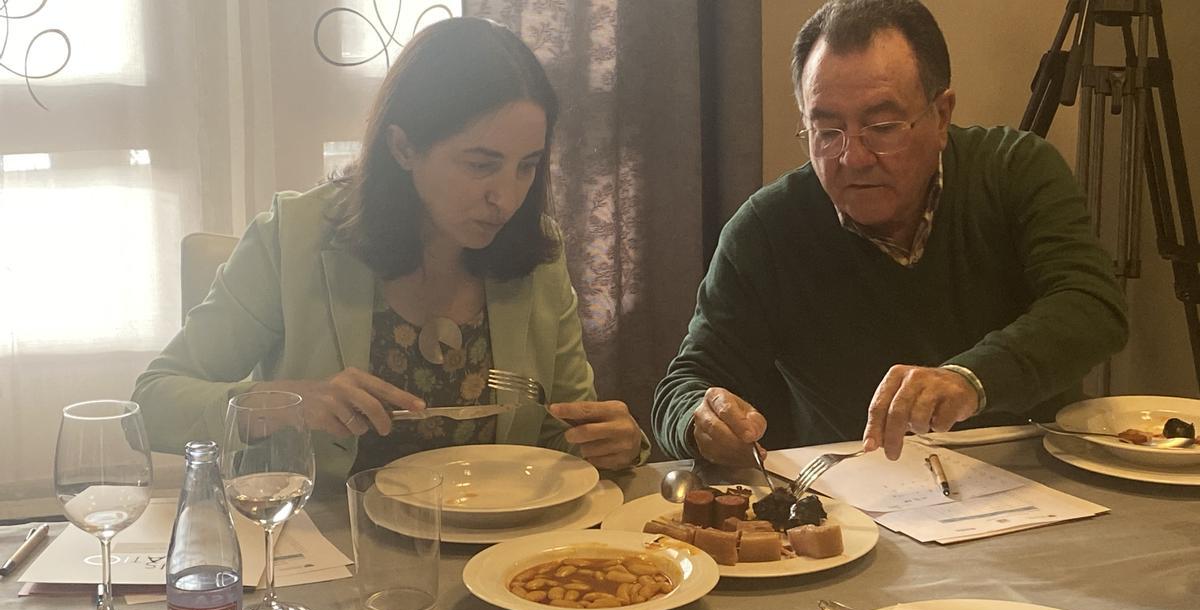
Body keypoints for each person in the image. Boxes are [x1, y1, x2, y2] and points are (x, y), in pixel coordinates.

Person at [134, 17, 647, 491]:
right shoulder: (294, 238)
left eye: (526, 166)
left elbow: (563, 433)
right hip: (328, 550)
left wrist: (618, 444)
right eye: (480, 164)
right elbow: (151, 403)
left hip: (498, 552)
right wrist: (287, 403)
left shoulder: (537, 252)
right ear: (402, 148)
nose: (507, 198)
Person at [652, 0, 1127, 467]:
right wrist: (700, 421)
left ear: (941, 116)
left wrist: (970, 379)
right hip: (859, 510)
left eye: (881, 127)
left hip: (1032, 484)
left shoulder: (1014, 170)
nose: (852, 158)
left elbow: (1091, 305)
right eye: (827, 131)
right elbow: (685, 384)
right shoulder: (766, 230)